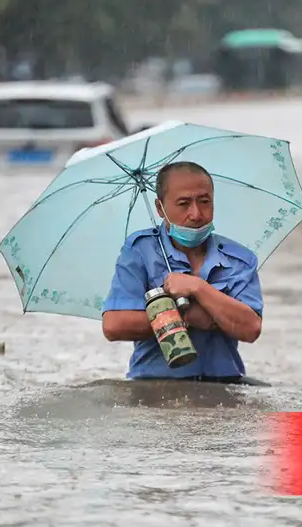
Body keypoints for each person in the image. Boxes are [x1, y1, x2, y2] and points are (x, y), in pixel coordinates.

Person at [101, 161, 264, 383]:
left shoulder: (239, 260)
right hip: (154, 387)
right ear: (160, 208)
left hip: (224, 386)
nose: (196, 214)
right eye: (183, 203)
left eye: (204, 202)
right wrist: (185, 315)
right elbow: (114, 325)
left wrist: (198, 288)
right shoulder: (140, 251)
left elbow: (251, 328)